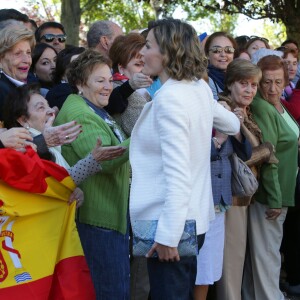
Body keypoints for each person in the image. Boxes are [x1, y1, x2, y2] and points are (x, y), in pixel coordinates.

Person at [129, 18, 240, 300]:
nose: (142, 52)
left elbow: (177, 175)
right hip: (194, 220)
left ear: (169, 51)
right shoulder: (197, 88)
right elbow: (232, 124)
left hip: (172, 226)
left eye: (149, 45)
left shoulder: (171, 98)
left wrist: (168, 237)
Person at [54, 49, 131, 299]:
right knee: (109, 292)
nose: (108, 86)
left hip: (107, 216)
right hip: (96, 220)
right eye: (100, 81)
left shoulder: (94, 107)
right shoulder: (79, 113)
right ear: (79, 83)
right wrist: (143, 134)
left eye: (110, 80)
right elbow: (104, 159)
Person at [213, 59, 276, 300]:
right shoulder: (224, 108)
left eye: (253, 85)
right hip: (229, 196)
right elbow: (243, 153)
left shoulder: (244, 111)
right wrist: (266, 151)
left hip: (244, 196)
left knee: (238, 259)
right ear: (230, 84)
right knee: (230, 261)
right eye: (243, 83)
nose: (250, 90)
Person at [195, 60, 254, 300]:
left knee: (209, 267)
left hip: (219, 200)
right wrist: (218, 140)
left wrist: (235, 127)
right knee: (195, 266)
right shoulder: (194, 113)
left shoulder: (222, 110)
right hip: (198, 199)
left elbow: (245, 153)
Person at [242, 55, 299, 300]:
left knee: (268, 252)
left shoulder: (280, 104)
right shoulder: (262, 106)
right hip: (270, 195)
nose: (272, 88)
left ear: (286, 81)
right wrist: (275, 198)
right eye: (266, 82)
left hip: (285, 189)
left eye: (278, 82)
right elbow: (269, 157)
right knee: (267, 254)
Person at [3, 83, 126, 187]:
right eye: (41, 108)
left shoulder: (50, 145)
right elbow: (55, 185)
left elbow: (64, 180)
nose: (51, 111)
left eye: (48, 105)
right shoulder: (19, 149)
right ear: (23, 120)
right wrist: (93, 159)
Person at [0, 23, 82, 160]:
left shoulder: (25, 86)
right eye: (18, 54)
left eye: (28, 53)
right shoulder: (3, 90)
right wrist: (43, 140)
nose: (26, 60)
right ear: (1, 57)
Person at [109, 32, 151, 136]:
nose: (144, 69)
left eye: (146, 64)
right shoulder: (113, 87)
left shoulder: (148, 86)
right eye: (138, 64)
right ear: (121, 68)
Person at [204, 31, 237, 99]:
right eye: (216, 50)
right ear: (207, 54)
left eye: (229, 50)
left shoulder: (239, 79)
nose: (223, 54)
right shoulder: (203, 80)